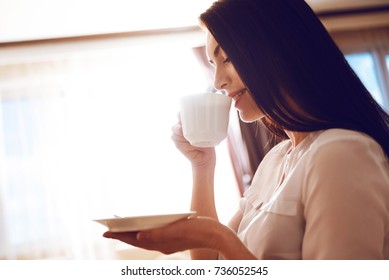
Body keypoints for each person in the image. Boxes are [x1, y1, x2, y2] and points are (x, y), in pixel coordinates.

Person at [103, 0, 389, 259]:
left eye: (227, 58)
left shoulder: (341, 153)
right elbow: (209, 265)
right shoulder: (277, 161)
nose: (218, 82)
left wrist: (218, 238)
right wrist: (202, 165)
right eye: (213, 64)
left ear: (277, 50)